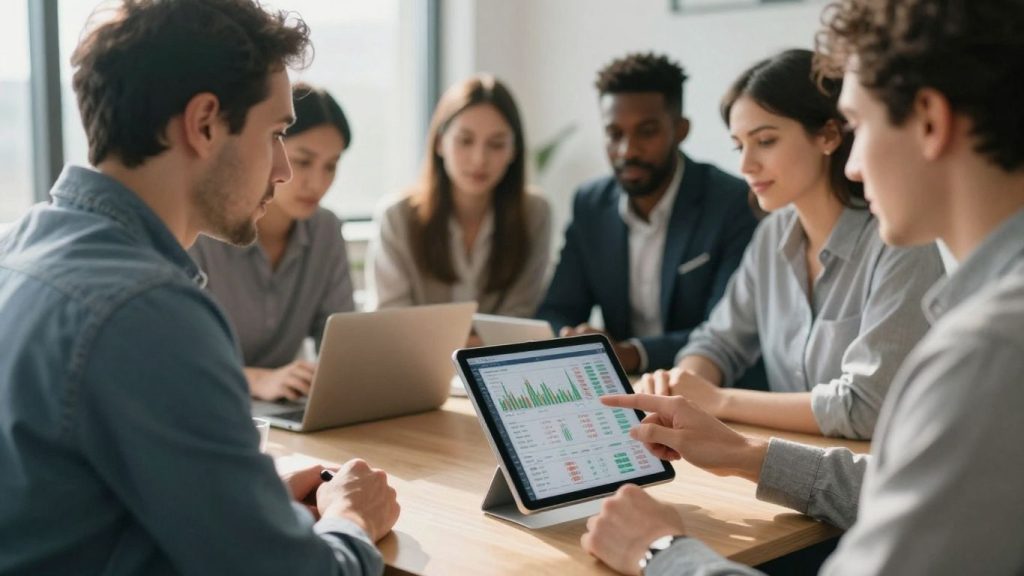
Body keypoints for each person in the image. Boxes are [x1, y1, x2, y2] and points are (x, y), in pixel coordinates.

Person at [581, 0, 1024, 574]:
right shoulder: (987, 324)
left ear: (931, 122)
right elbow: (913, 486)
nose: (855, 165)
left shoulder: (987, 350)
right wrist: (746, 454)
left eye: (859, 127)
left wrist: (662, 551)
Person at [0, 1, 399, 574]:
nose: (284, 169)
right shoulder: (149, 310)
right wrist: (352, 518)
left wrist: (245, 496)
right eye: (277, 133)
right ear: (205, 122)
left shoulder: (20, 250)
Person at [635, 49, 944, 439]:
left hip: (876, 477)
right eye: (739, 145)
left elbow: (867, 406)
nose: (746, 165)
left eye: (764, 141)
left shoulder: (899, 242)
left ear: (829, 135)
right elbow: (718, 342)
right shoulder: (771, 236)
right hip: (789, 465)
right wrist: (681, 386)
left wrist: (717, 400)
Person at [536, 53, 762, 375]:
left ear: (680, 130)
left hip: (704, 387)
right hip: (619, 388)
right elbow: (557, 308)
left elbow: (726, 329)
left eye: (646, 132)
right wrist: (569, 338)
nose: (628, 150)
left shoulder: (733, 203)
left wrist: (631, 354)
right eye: (614, 134)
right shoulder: (590, 205)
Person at [190, 83, 355, 401]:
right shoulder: (203, 232)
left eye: (331, 166)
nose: (317, 183)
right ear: (270, 151)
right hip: (212, 403)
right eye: (303, 161)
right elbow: (180, 359)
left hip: (283, 409)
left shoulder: (326, 229)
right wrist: (254, 380)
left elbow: (342, 346)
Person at [367, 74, 551, 332]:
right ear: (440, 143)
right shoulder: (397, 216)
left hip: (496, 368)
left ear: (514, 151)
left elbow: (520, 317)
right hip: (417, 368)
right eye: (465, 141)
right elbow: (391, 321)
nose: (479, 159)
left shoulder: (533, 212)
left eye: (496, 144)